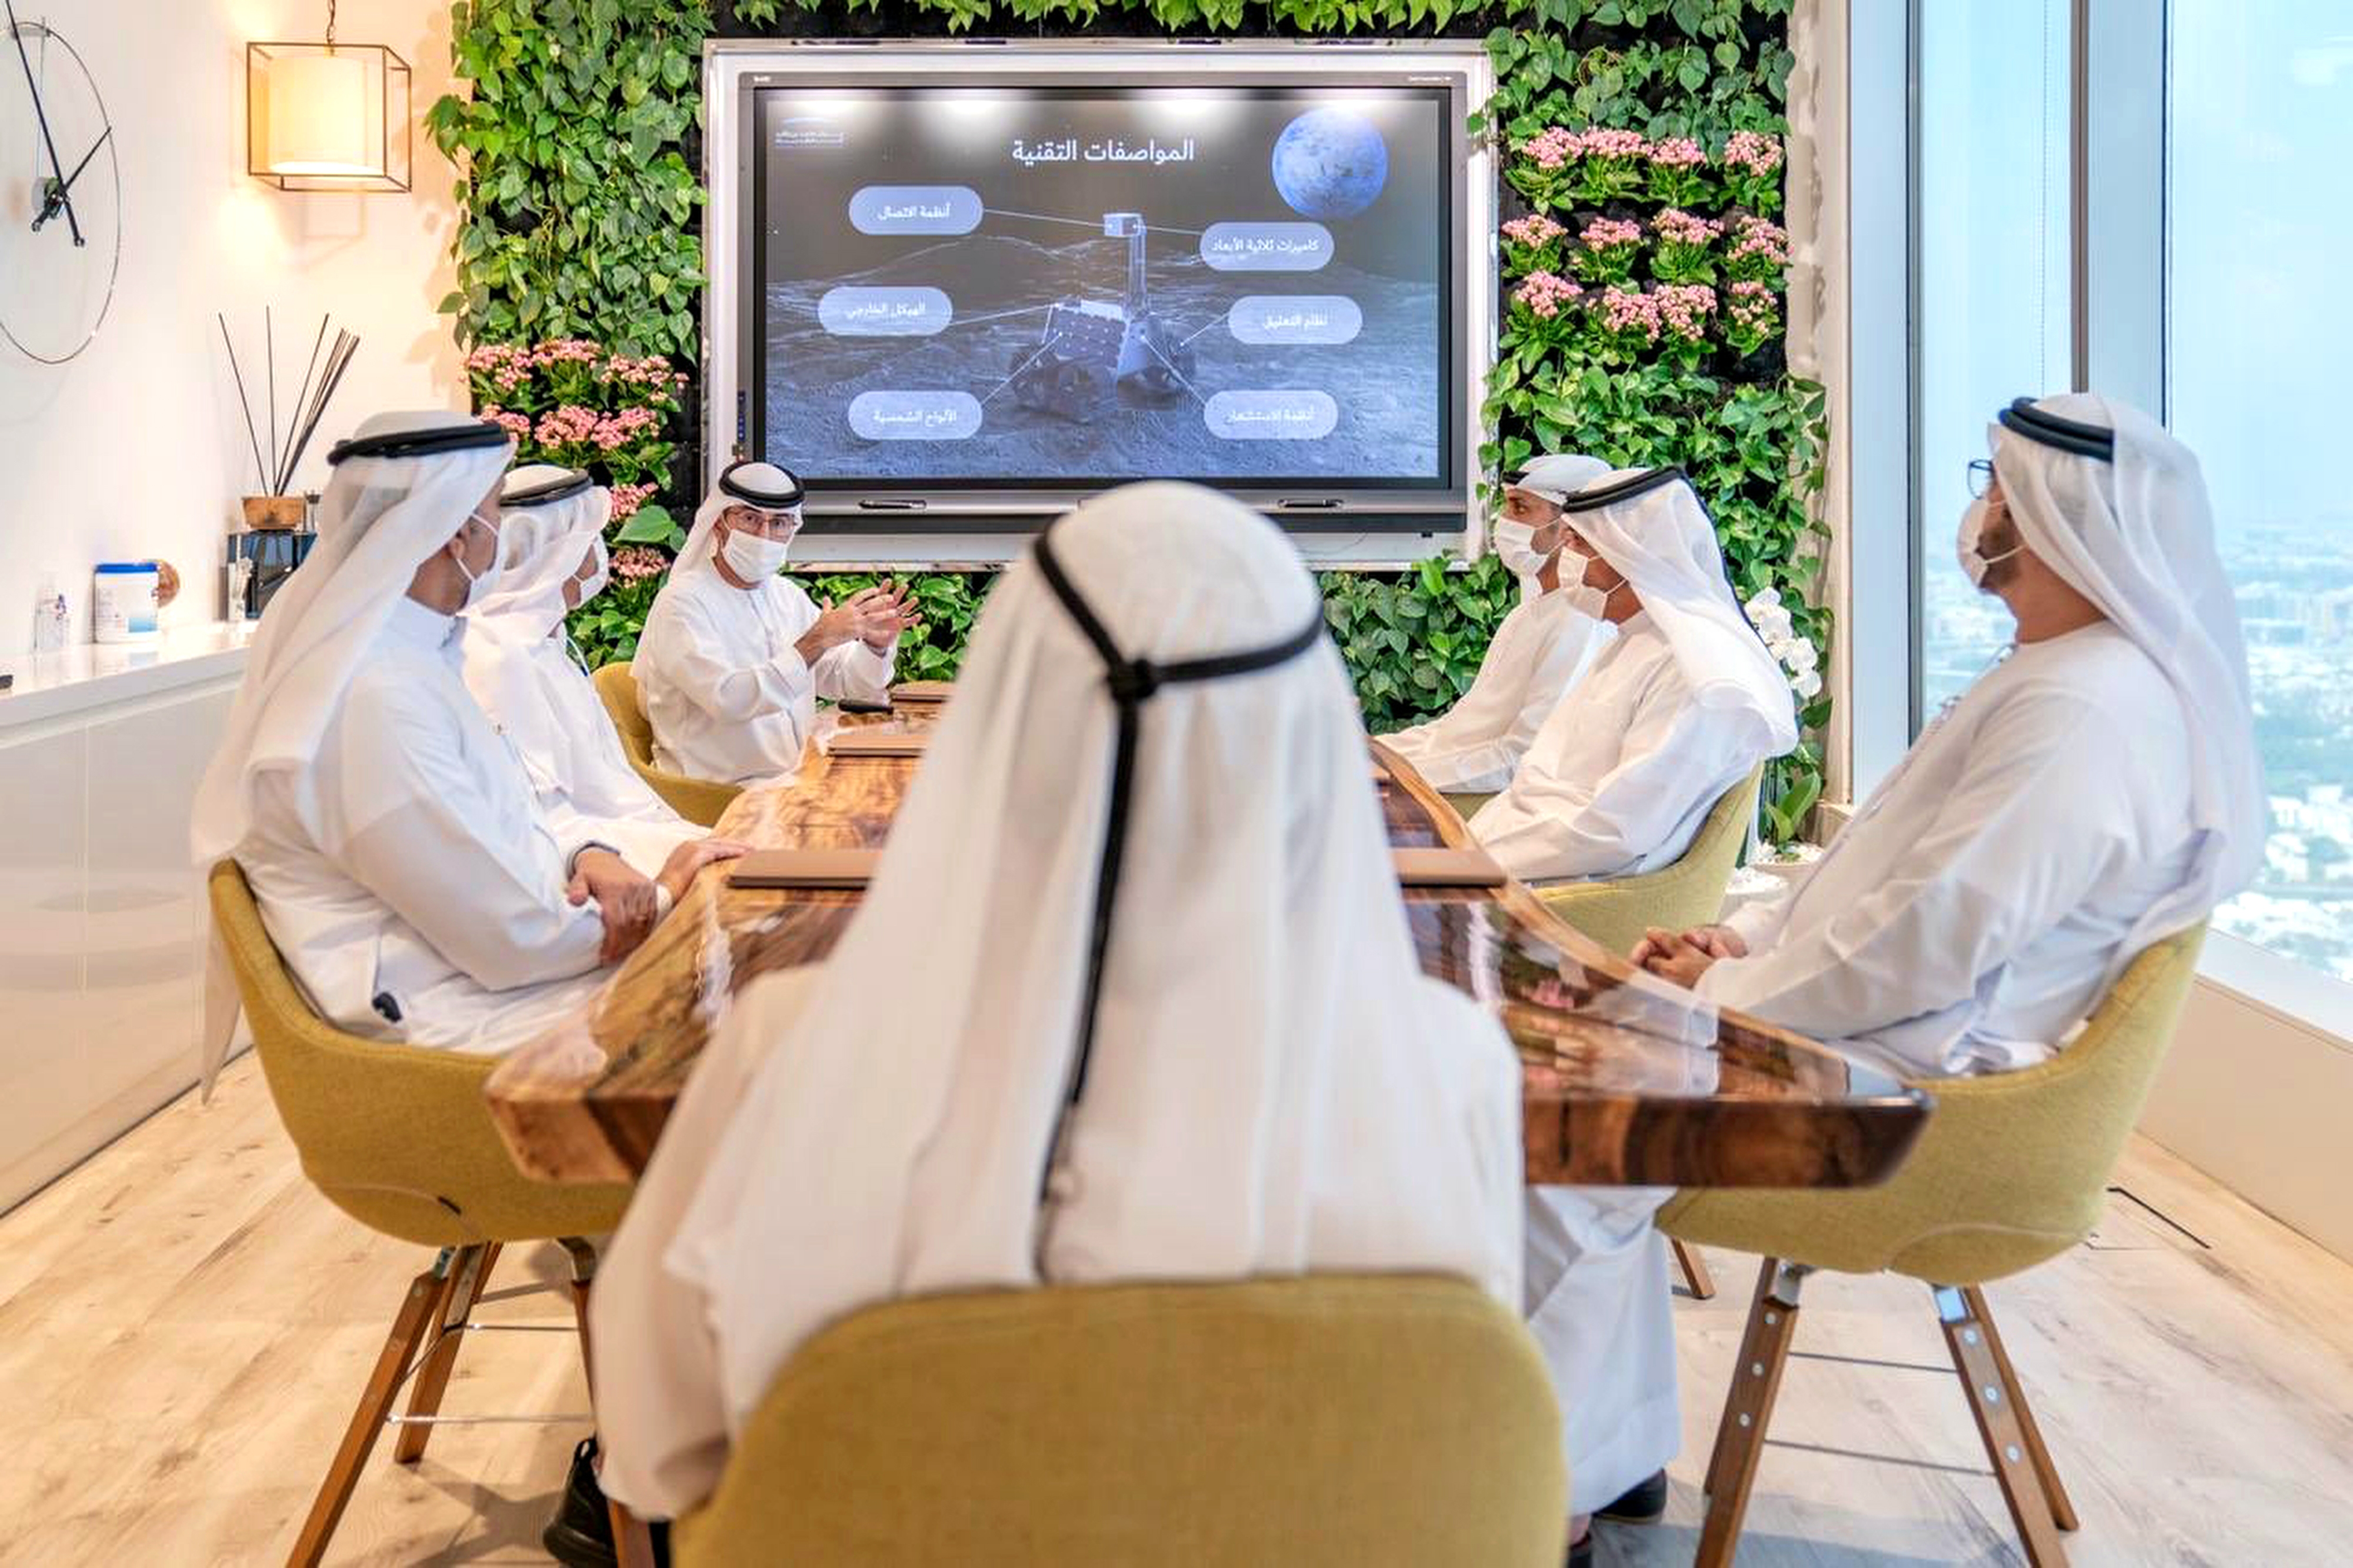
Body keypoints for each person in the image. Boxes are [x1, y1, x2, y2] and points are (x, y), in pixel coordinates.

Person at [584, 482, 1527, 1524]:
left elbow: (655, 1453)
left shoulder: (791, 1048)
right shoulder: (1452, 1070)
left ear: (1002, 717)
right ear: (1310, 736)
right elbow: (1464, 1451)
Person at [1597, 394, 2261, 1560]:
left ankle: (1560, 1483)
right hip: (1875, 1033)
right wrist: (1740, 946)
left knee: (1551, 1134)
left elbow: (1925, 948)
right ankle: (1602, 1452)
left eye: (1999, 489)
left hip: (1916, 1093)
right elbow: (1883, 883)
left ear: (2056, 516)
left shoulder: (2085, 704)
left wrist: (1713, 998)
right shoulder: (2058, 675)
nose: (1982, 513)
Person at [189, 413, 739, 1082]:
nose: (502, 539)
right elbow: (513, 938)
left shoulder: (415, 655)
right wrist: (663, 892)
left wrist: (585, 852)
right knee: (751, 1020)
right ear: (457, 532)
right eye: (494, 514)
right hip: (457, 1022)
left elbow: (509, 808)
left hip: (495, 973)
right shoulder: (376, 693)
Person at [1467, 466, 1797, 882]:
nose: (1566, 556)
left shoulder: (1700, 676)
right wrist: (1467, 846)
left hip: (1571, 888)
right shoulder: (1629, 642)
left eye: (1579, 542)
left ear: (1630, 555)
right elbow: (1538, 780)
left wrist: (1473, 863)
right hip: (1516, 855)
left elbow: (1614, 832)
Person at [462, 463, 703, 877]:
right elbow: (546, 813)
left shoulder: (547, 640)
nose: (600, 554)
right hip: (590, 859)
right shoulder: (498, 655)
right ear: (563, 555)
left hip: (627, 830)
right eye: (593, 540)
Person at [632, 460, 918, 785]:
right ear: (719, 524)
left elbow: (844, 681)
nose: (764, 535)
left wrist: (875, 647)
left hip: (791, 777)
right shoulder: (682, 603)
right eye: (750, 519)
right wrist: (817, 640)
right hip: (717, 791)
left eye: (779, 523)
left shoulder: (787, 596)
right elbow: (728, 700)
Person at [1381, 453, 1619, 795]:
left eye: (1520, 508)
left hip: (1484, 798)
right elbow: (1455, 733)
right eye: (1506, 507)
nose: (1504, 522)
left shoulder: (1580, 623)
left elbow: (1523, 759)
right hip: (1446, 779)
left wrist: (1396, 778)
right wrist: (1375, 754)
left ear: (1568, 528)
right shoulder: (1527, 613)